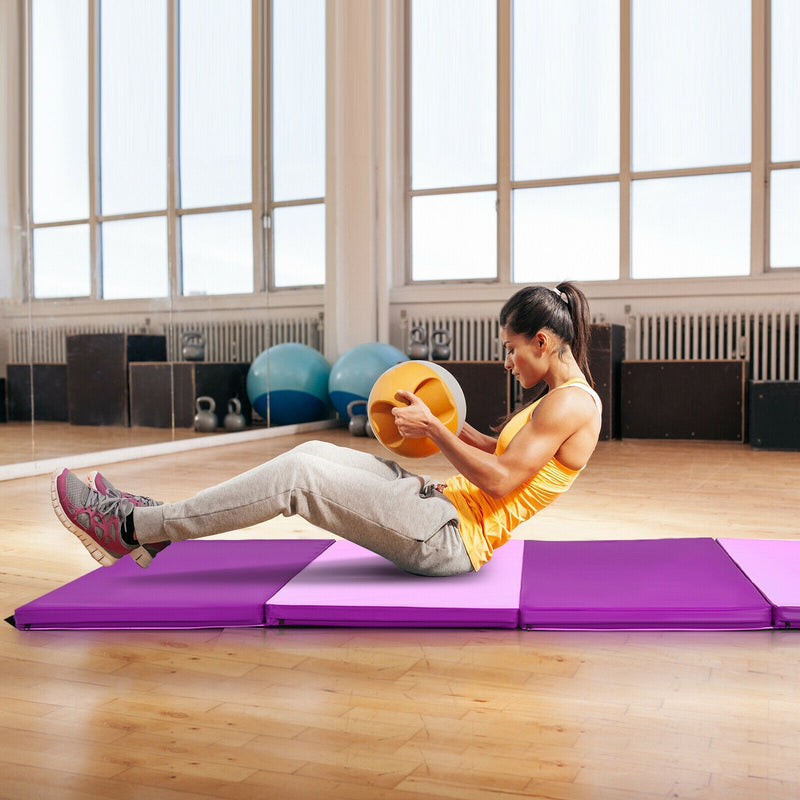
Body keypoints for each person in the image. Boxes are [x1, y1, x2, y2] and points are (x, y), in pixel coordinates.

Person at [52, 282, 602, 577]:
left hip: (449, 537)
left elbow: (503, 482)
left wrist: (435, 429)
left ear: (543, 341)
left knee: (298, 476)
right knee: (313, 449)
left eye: (510, 349)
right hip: (440, 503)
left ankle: (130, 528)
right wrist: (443, 423)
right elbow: (501, 453)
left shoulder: (568, 406)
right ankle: (151, 524)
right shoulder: (559, 400)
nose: (508, 362)